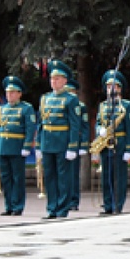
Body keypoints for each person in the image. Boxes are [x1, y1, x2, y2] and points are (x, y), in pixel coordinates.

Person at [36, 59, 81, 220]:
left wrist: (72, 146)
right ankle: (51, 207)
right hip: (48, 142)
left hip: (62, 142)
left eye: (57, 79)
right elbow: (41, 123)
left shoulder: (71, 99)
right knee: (49, 177)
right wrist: (38, 145)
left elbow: (75, 125)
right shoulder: (44, 99)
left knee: (63, 177)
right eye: (52, 79)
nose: (54, 82)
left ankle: (62, 207)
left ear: (64, 81)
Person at [0, 76, 36, 216]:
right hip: (4, 147)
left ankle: (18, 205)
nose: (9, 95)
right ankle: (8, 205)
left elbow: (30, 128)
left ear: (19, 94)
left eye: (13, 92)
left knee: (17, 178)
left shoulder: (26, 108)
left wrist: (27, 146)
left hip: (17, 147)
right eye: (8, 92)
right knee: (6, 178)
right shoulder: (1, 109)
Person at [93, 70, 130, 215]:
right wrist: (99, 130)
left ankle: (117, 205)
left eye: (114, 86)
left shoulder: (126, 106)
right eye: (109, 86)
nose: (111, 89)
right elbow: (98, 122)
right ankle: (107, 205)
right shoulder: (103, 106)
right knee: (106, 176)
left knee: (119, 177)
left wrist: (129, 149)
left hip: (120, 144)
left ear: (119, 88)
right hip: (106, 145)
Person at [64, 78, 88, 211]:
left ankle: (73, 200)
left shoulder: (81, 106)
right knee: (63, 173)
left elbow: (84, 127)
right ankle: (63, 199)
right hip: (62, 140)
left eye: (72, 91)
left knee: (73, 173)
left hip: (74, 142)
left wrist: (83, 145)